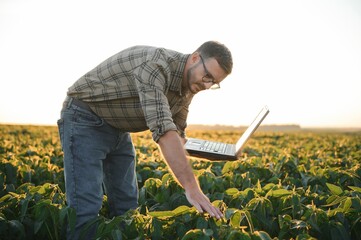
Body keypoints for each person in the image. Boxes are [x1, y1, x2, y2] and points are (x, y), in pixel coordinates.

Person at [57, 41, 233, 239]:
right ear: (194, 58)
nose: (206, 85)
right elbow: (165, 133)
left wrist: (213, 152)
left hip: (118, 128)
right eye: (207, 76)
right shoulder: (155, 66)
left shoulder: (187, 87)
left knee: (127, 205)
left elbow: (177, 136)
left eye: (214, 83)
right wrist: (192, 188)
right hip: (84, 119)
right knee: (86, 207)